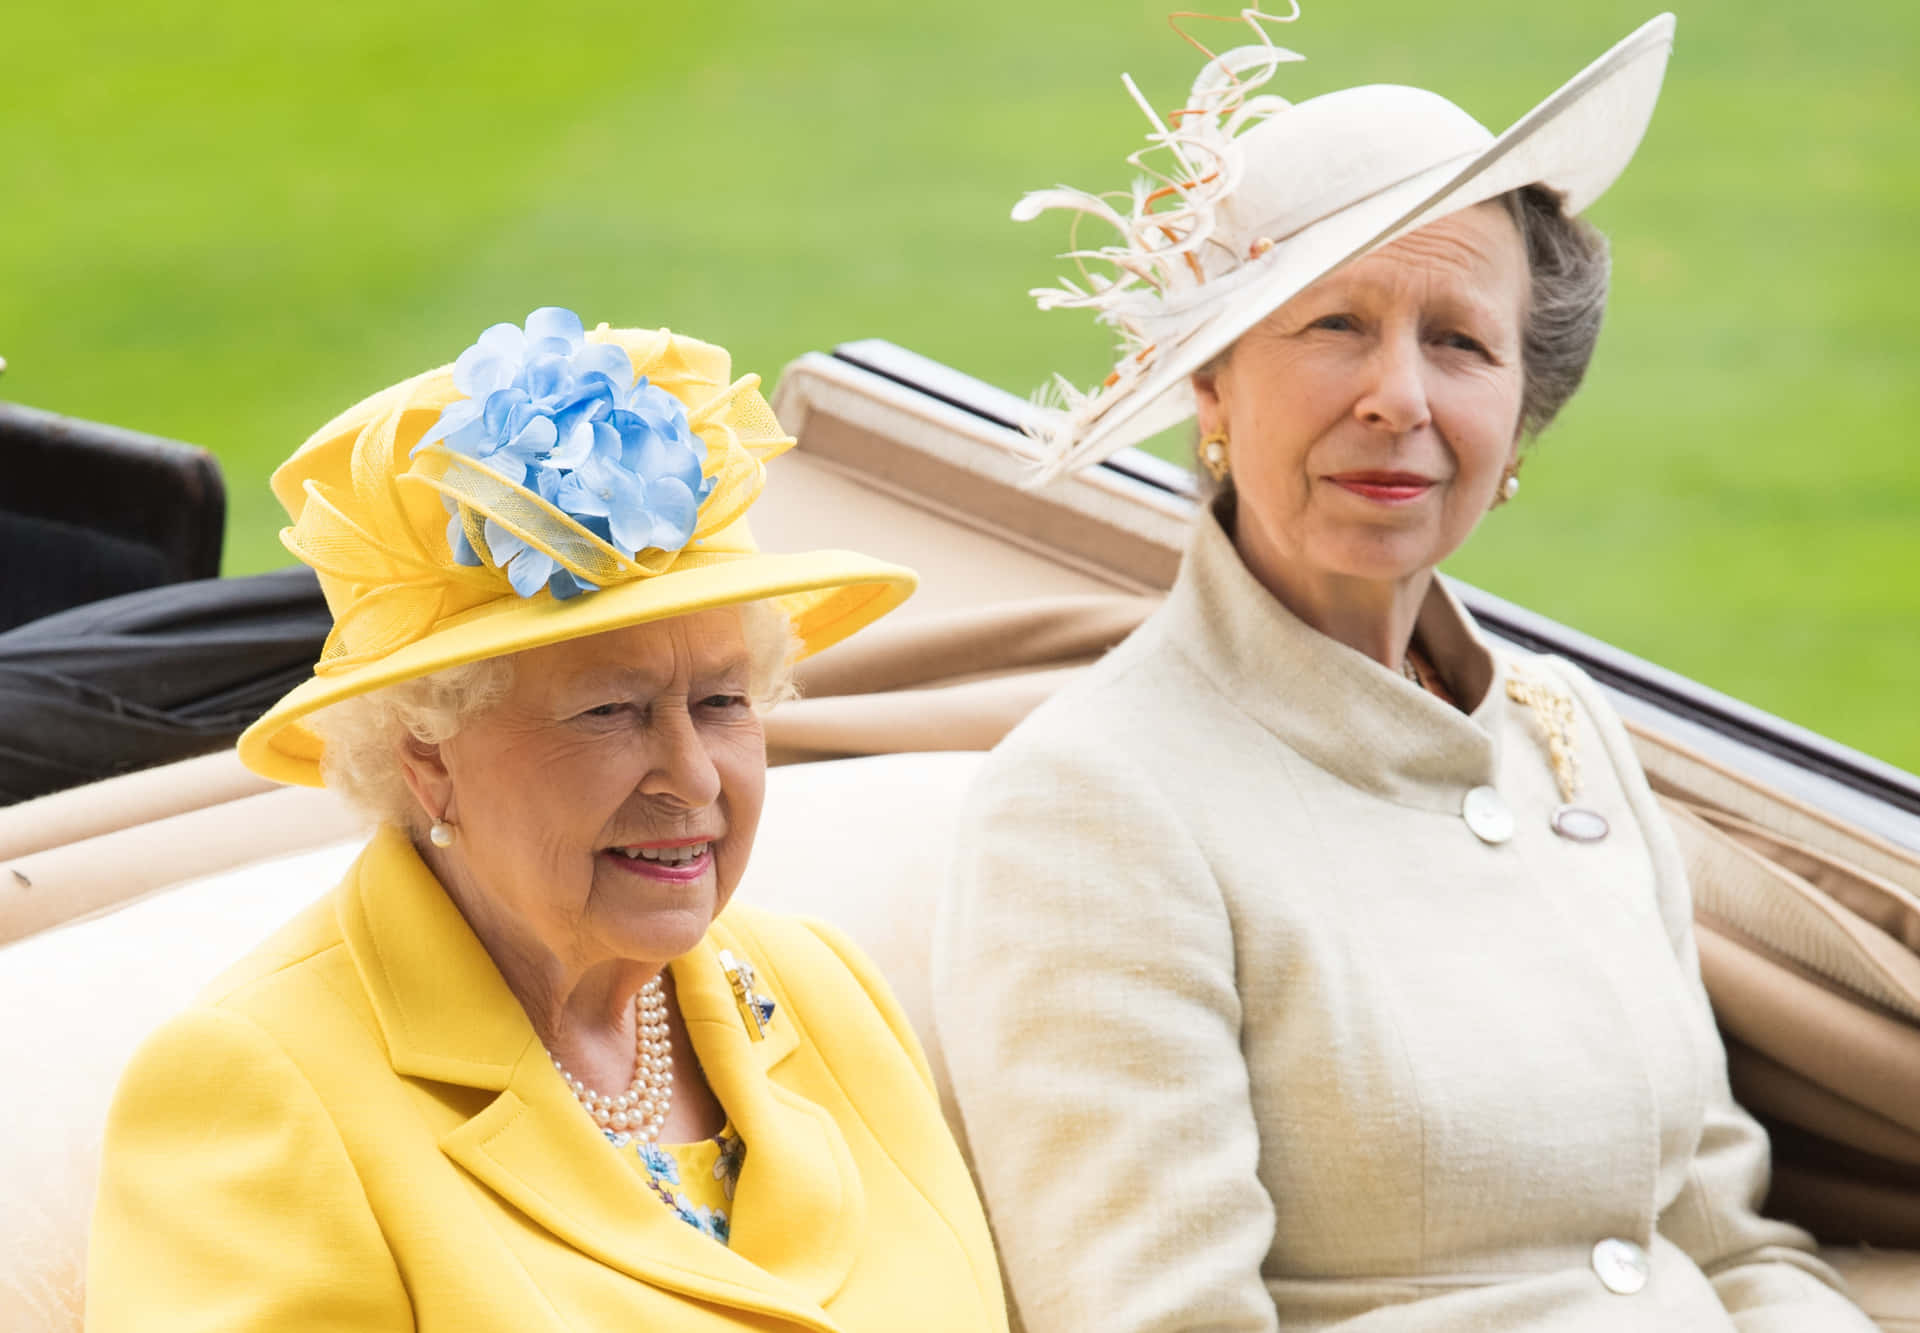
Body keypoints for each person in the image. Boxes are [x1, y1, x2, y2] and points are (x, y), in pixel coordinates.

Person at [934, 14, 1878, 1331]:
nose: (1398, 396)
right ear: (1212, 386)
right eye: (1334, 324)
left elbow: (1728, 1244)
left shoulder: (1563, 731)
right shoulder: (1096, 800)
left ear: (1518, 423)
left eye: (1460, 342)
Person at [86, 309, 1010, 1333]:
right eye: (609, 711)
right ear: (428, 756)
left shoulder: (823, 988)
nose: (693, 777)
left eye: (721, 701)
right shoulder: (257, 1086)